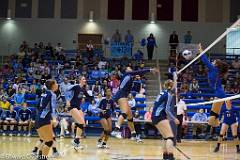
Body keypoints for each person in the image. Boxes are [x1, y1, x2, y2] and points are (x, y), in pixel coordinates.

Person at [111, 67, 158, 141]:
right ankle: (116, 130)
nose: (131, 69)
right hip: (121, 95)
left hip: (124, 96)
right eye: (129, 68)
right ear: (126, 70)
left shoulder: (131, 78)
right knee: (125, 112)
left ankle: (134, 135)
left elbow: (137, 75)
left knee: (130, 117)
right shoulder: (127, 74)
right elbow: (139, 71)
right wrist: (150, 70)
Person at [199, 44, 231, 140]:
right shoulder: (214, 69)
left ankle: (207, 132)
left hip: (219, 94)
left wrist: (201, 50)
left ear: (216, 64)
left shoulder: (214, 69)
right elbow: (206, 63)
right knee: (216, 115)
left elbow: (204, 60)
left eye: (214, 61)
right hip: (220, 93)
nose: (212, 62)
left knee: (213, 114)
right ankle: (219, 135)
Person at [151, 73, 179, 160]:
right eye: (173, 85)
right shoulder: (168, 95)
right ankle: (170, 156)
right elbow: (167, 109)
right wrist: (174, 119)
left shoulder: (162, 93)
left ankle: (165, 156)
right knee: (170, 137)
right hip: (160, 116)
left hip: (155, 116)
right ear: (171, 86)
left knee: (165, 137)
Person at [66, 76, 93, 150]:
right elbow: (66, 90)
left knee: (82, 124)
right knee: (80, 122)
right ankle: (76, 141)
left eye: (85, 79)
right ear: (80, 80)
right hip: (72, 106)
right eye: (83, 79)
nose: (85, 80)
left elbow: (89, 97)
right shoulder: (76, 87)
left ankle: (76, 141)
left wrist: (98, 97)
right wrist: (67, 100)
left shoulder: (83, 89)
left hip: (78, 107)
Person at [34, 79, 58, 160]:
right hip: (44, 119)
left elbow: (37, 105)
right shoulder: (52, 94)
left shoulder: (43, 94)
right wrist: (54, 119)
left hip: (38, 118)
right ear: (53, 85)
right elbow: (53, 108)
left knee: (44, 140)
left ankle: (40, 157)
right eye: (56, 83)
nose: (57, 85)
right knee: (49, 142)